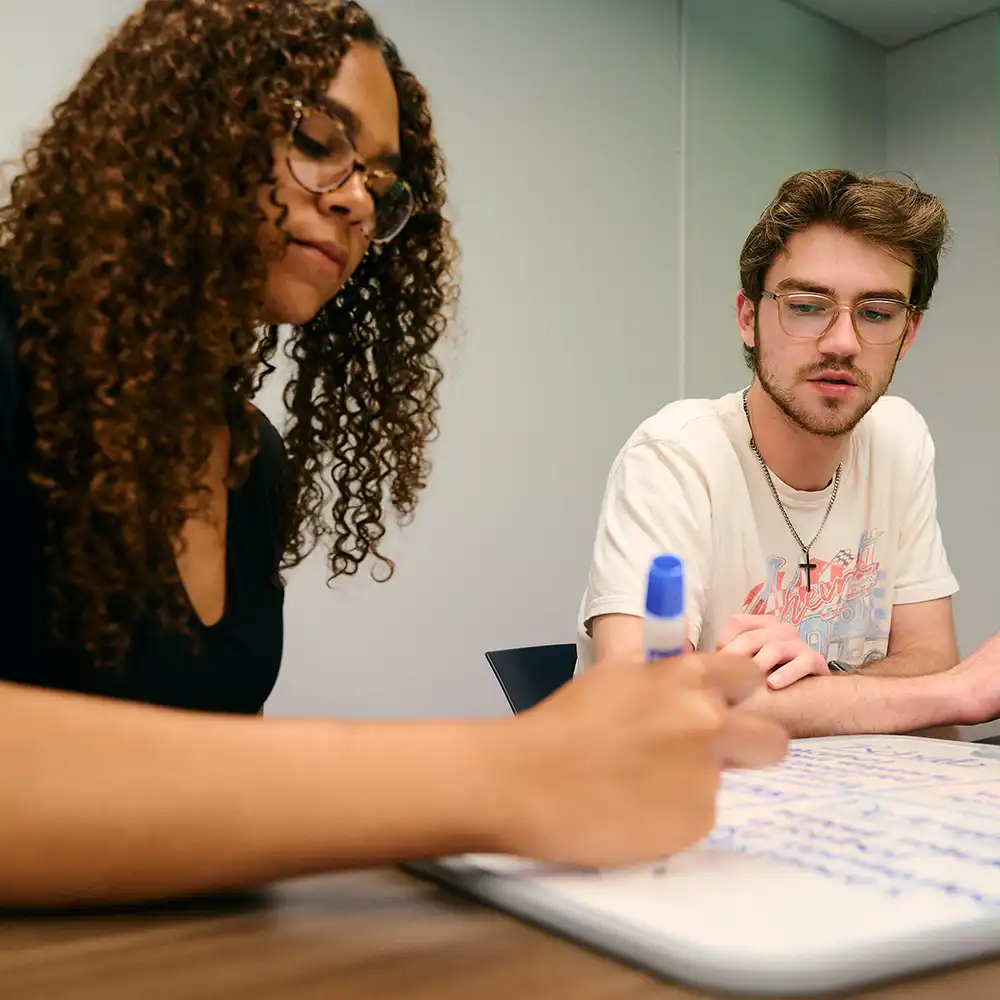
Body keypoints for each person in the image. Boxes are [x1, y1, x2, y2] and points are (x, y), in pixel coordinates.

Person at [0, 1, 790, 908]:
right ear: (179, 119)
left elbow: (202, 788)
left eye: (381, 184)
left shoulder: (251, 461)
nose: (355, 200)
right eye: (315, 137)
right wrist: (515, 772)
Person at [577, 168, 994, 739]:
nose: (843, 342)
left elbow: (930, 656)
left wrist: (822, 688)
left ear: (908, 332)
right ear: (749, 319)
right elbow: (644, 701)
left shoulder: (900, 438)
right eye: (806, 305)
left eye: (876, 313)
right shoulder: (676, 456)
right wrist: (953, 694)